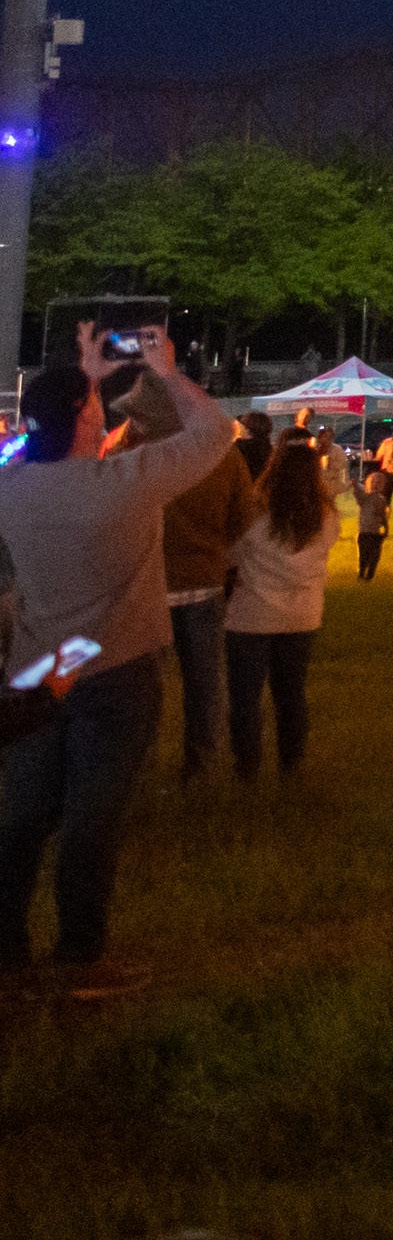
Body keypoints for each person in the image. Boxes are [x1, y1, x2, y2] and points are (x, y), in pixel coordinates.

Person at [0, 324, 233, 993]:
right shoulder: (126, 483)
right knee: (92, 818)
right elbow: (216, 432)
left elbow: (40, 448)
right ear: (85, 419)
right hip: (115, 670)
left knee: (22, 817)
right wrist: (166, 371)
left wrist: (85, 383)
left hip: (35, 672)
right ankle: (80, 957)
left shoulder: (13, 489)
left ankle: (7, 949)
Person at [142, 377, 258, 785]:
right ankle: (202, 766)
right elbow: (244, 516)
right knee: (205, 682)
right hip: (205, 581)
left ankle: (141, 765)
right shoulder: (223, 456)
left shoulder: (138, 453)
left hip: (149, 585)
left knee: (145, 687)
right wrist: (216, 549)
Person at [224, 435, 341, 780]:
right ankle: (292, 764)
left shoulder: (254, 512)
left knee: (246, 697)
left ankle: (247, 767)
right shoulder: (325, 516)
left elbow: (230, 554)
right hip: (302, 614)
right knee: (291, 693)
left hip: (252, 615)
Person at [352, 467, 392, 582]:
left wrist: (386, 528)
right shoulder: (365, 498)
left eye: (379, 483)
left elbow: (383, 515)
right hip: (364, 532)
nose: (376, 485)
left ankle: (370, 575)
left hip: (375, 532)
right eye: (373, 482)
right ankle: (361, 573)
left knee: (375, 556)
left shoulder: (381, 499)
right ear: (368, 484)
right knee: (363, 555)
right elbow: (358, 493)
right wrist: (355, 485)